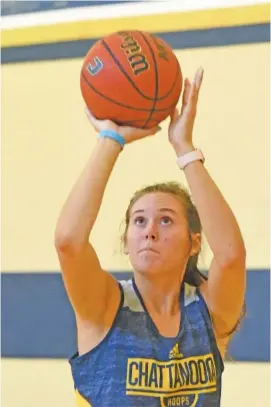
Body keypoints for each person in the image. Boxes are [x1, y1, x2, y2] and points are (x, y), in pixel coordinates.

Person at [55, 68, 246, 407]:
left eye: (166, 220)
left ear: (194, 242)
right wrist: (110, 140)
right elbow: (69, 241)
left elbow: (231, 256)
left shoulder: (208, 312)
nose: (150, 231)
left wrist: (184, 148)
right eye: (139, 221)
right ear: (126, 242)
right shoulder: (104, 306)